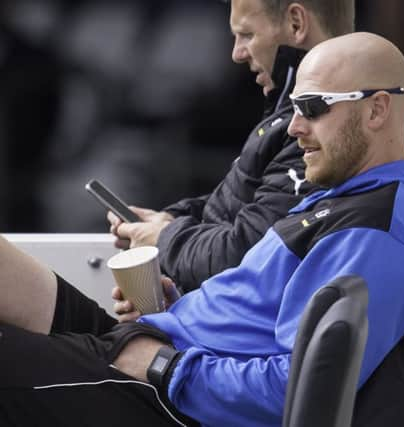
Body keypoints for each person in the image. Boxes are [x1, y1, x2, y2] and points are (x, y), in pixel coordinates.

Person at [0, 32, 404, 426]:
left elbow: (299, 392)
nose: (294, 127)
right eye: (292, 108)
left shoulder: (376, 227)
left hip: (165, 392)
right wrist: (183, 307)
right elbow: (262, 316)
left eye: (312, 107)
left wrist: (164, 367)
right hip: (160, 348)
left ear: (377, 109)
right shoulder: (350, 197)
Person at [106, 0, 356, 318]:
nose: (237, 54)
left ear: (296, 23)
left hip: (228, 350)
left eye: (247, 35)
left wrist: (164, 238)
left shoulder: (320, 132)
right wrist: (168, 222)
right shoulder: (286, 118)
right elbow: (239, 214)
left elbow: (248, 257)